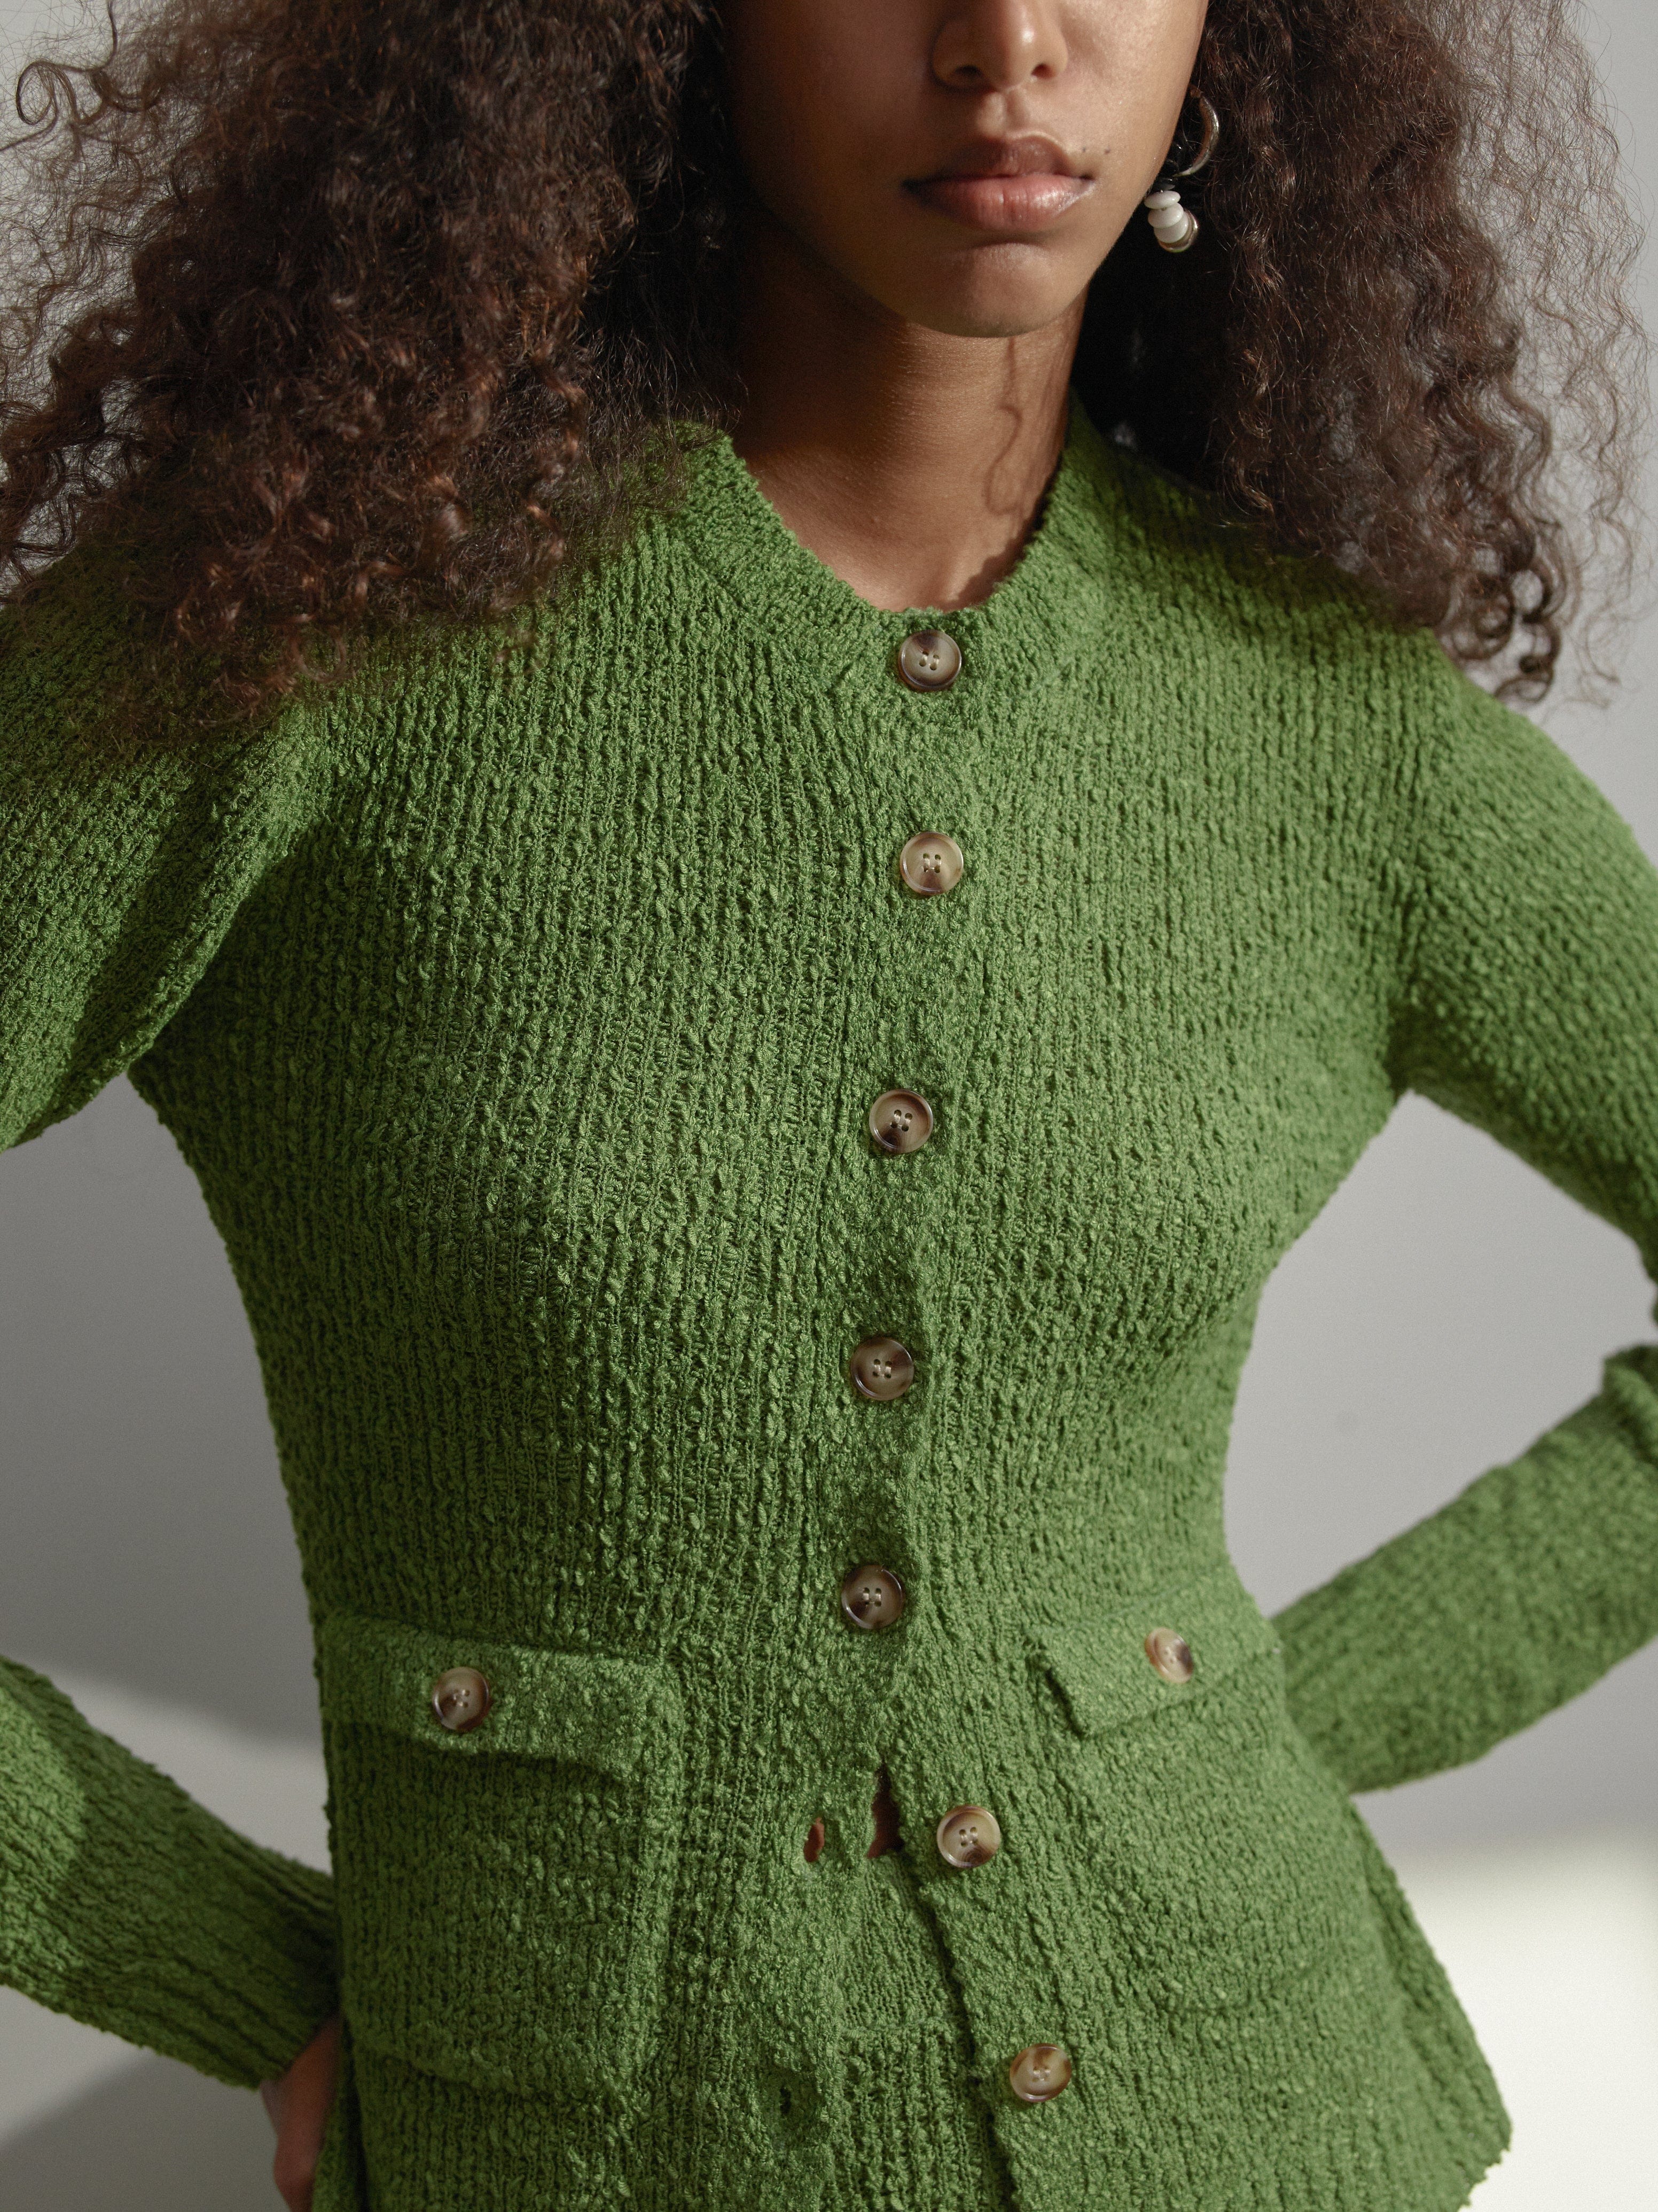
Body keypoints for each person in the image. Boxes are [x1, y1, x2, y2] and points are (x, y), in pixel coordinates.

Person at [1, 0, 1654, 2208]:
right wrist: (207, 1958)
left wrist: (1229, 1726)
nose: (1009, 40)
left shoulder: (1336, 730)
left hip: (1270, 2130)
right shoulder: (283, 648)